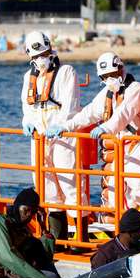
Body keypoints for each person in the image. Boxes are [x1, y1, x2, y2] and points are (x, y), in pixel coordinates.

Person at [46, 51, 140, 212]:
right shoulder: (108, 94)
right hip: (121, 149)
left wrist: (105, 128)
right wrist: (66, 126)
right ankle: (125, 229)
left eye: (113, 74)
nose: (109, 79)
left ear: (121, 69)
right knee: (115, 193)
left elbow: (123, 114)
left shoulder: (136, 89)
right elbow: (89, 113)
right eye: (105, 77)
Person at [20, 31, 88, 243]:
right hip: (39, 138)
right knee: (46, 186)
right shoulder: (28, 77)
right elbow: (27, 105)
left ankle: (80, 237)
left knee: (70, 183)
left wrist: (60, 125)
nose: (40, 59)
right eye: (36, 56)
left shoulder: (66, 72)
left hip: (63, 135)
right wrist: (26, 121)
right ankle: (58, 237)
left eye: (44, 54)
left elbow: (70, 104)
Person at [0, 188, 61, 278]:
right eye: (26, 210)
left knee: (39, 252)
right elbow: (8, 257)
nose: (29, 215)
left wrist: (43, 228)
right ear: (17, 206)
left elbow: (46, 257)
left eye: (33, 212)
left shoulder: (22, 228)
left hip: (13, 271)